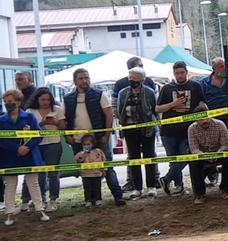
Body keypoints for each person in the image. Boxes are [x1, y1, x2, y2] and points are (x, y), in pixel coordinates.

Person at [64, 68, 125, 206]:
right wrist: (68, 136)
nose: (84, 80)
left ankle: (117, 195)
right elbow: (65, 119)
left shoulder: (99, 94)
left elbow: (109, 114)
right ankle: (90, 199)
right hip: (78, 140)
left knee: (108, 168)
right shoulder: (67, 99)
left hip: (98, 139)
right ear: (75, 81)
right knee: (85, 171)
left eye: (86, 77)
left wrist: (106, 135)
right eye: (81, 78)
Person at [155, 61, 204, 195]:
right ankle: (178, 185)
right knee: (173, 159)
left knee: (186, 157)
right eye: (177, 73)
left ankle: (166, 179)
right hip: (168, 130)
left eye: (182, 72)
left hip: (189, 130)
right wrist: (173, 103)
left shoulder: (195, 86)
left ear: (186, 72)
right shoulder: (166, 88)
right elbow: (158, 108)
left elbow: (203, 104)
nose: (180, 75)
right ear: (174, 74)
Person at [1, 89, 49, 225]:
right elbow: (1, 140)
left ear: (18, 101)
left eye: (10, 101)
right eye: (5, 102)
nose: (7, 104)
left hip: (29, 155)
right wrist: (16, 148)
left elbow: (38, 134)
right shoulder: (1, 120)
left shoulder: (29, 117)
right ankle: (9, 213)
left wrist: (27, 147)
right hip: (9, 156)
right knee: (10, 184)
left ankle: (40, 209)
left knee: (33, 183)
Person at [115, 67, 159, 198]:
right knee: (133, 158)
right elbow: (119, 110)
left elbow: (155, 109)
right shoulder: (122, 93)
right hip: (129, 129)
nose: (132, 80)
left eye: (135, 78)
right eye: (130, 78)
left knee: (149, 156)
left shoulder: (150, 92)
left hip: (147, 129)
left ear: (142, 79)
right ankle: (137, 188)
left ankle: (151, 186)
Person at [23, 88, 63, 212]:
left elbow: (63, 127)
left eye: (48, 99)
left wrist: (56, 122)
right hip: (36, 145)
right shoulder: (30, 111)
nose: (45, 102)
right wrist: (41, 123)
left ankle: (53, 200)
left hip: (53, 143)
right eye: (42, 99)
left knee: (53, 174)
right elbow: (26, 129)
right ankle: (41, 200)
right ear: (37, 99)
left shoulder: (58, 109)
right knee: (39, 174)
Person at [187, 103, 228, 203]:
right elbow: (194, 149)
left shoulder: (220, 124)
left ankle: (225, 189)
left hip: (219, 152)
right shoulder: (191, 129)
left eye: (206, 117)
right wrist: (205, 156)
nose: (204, 121)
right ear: (195, 119)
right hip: (202, 155)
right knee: (193, 162)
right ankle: (200, 194)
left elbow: (226, 144)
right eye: (201, 119)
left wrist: (217, 154)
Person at [199, 57, 228, 128]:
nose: (225, 68)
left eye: (226, 66)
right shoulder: (203, 83)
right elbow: (201, 102)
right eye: (221, 66)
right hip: (213, 119)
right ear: (214, 69)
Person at [75, 133, 106, 208]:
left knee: (97, 187)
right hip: (85, 174)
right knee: (87, 188)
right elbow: (78, 160)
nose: (86, 146)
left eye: (88, 144)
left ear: (93, 144)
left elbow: (103, 160)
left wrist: (104, 170)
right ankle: (88, 200)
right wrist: (84, 154)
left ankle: (98, 199)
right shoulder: (81, 153)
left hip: (96, 173)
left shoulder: (98, 152)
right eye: (84, 144)